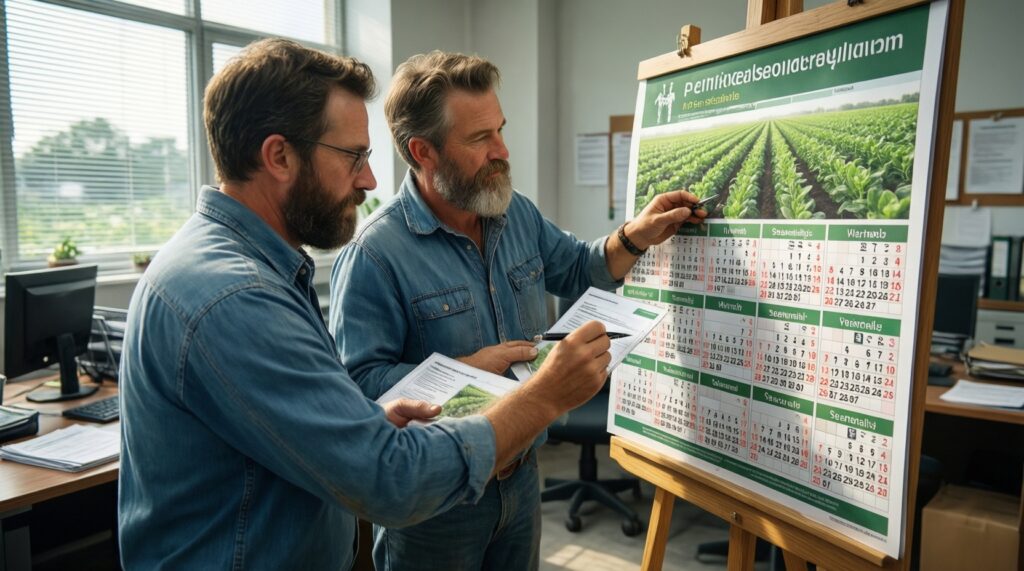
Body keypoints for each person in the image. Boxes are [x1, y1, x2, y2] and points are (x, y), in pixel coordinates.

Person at [117, 39, 614, 570]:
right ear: (279, 156)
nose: (370, 180)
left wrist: (368, 418)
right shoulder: (237, 296)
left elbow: (295, 423)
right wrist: (544, 396)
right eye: (353, 156)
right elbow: (390, 481)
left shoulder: (255, 268)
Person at [329, 51, 706, 571]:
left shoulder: (513, 212)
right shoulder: (374, 255)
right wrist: (467, 370)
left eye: (500, 130)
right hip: (438, 504)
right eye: (480, 139)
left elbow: (580, 268)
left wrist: (634, 235)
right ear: (424, 151)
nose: (502, 151)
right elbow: (358, 392)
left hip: (522, 478)